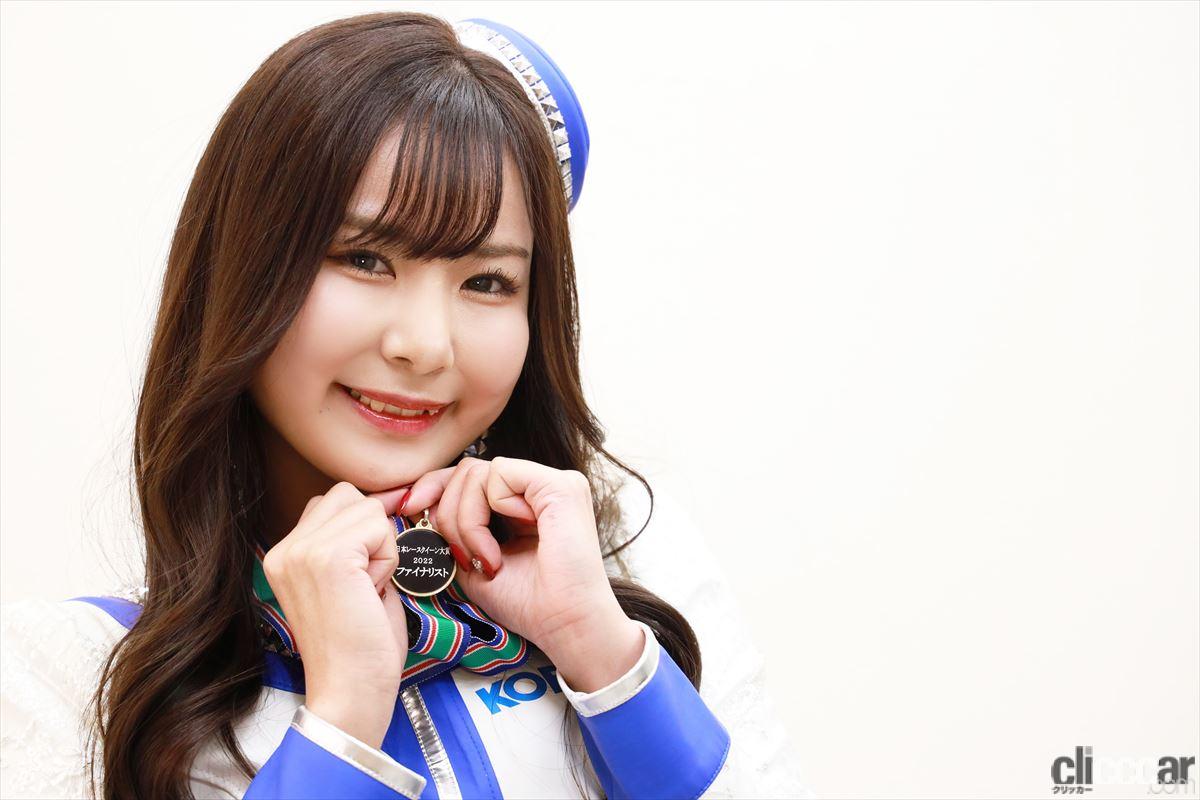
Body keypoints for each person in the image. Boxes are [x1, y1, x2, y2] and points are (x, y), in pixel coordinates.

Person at [0, 11, 816, 800]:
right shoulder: (71, 679)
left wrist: (602, 656)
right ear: (241, 272)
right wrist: (343, 720)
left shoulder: (634, 566)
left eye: (487, 281)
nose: (426, 345)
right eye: (364, 258)